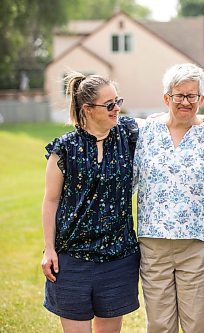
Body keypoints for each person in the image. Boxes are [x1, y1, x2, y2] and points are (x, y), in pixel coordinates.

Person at [133, 63, 204, 333]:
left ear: (201, 99)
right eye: (179, 95)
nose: (186, 102)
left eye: (192, 96)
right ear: (167, 98)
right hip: (154, 243)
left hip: (198, 244)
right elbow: (129, 181)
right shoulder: (146, 134)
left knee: (199, 324)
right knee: (159, 324)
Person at [41, 72, 141, 333]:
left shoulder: (127, 134)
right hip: (71, 260)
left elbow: (163, 123)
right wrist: (49, 250)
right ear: (87, 108)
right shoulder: (64, 148)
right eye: (109, 105)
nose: (116, 108)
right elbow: (50, 201)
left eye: (117, 101)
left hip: (117, 258)